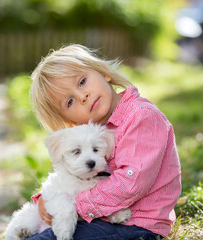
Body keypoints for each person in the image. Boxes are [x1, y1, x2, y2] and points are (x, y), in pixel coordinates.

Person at [28, 44, 181, 240]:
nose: (82, 96)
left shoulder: (141, 117)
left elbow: (130, 184)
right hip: (102, 221)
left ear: (103, 73)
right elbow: (72, 176)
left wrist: (73, 206)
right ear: (71, 121)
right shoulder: (94, 133)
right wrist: (48, 199)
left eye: (82, 82)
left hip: (136, 226)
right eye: (69, 102)